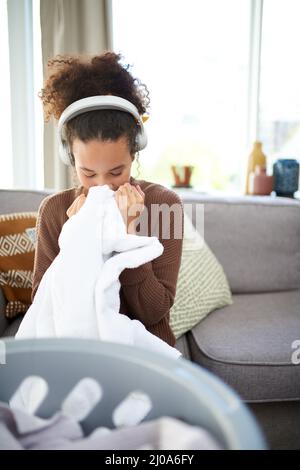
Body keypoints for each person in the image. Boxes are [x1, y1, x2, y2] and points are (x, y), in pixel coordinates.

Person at [32, 51, 183, 347]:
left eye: (117, 172)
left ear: (135, 152)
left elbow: (153, 313)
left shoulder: (165, 206)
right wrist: (75, 240)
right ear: (69, 156)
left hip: (144, 355)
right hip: (80, 353)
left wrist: (129, 239)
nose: (103, 186)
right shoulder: (54, 211)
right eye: (88, 174)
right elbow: (46, 309)